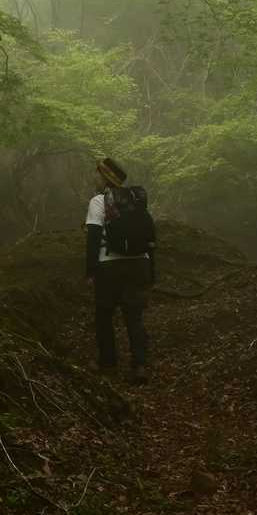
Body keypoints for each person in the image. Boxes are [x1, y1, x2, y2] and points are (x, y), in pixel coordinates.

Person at [84, 157, 154, 382]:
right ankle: (140, 366)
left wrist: (90, 271)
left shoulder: (99, 201)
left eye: (97, 174)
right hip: (139, 263)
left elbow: (93, 238)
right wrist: (151, 269)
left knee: (104, 315)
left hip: (109, 265)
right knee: (134, 316)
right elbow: (147, 235)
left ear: (106, 177)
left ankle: (108, 364)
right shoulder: (136, 199)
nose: (95, 178)